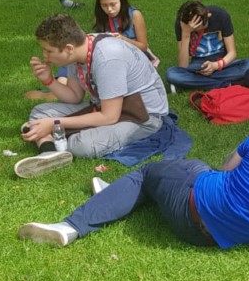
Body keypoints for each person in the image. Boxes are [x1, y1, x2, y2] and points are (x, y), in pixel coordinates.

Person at [17, 92, 249, 248]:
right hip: (217, 233)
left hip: (194, 210)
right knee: (193, 168)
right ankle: (118, 197)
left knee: (148, 174)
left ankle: (71, 226)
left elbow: (227, 168)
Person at [15, 14, 169, 178]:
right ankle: (50, 152)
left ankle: (48, 141)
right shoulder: (79, 51)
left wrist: (55, 123)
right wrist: (48, 80)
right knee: (40, 112)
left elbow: (109, 117)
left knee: (82, 145)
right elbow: (75, 96)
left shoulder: (107, 58)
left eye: (49, 51)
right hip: (107, 106)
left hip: (141, 117)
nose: (45, 56)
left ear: (69, 48)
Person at [165, 0, 249, 93]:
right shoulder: (182, 24)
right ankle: (228, 84)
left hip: (222, 61)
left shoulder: (221, 15)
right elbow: (183, 66)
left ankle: (193, 82)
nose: (203, 28)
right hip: (198, 65)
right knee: (171, 74)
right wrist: (186, 33)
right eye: (196, 29)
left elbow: (232, 53)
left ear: (208, 14)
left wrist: (216, 66)